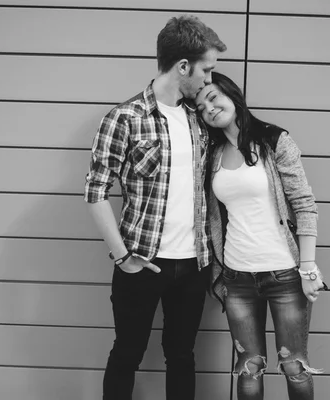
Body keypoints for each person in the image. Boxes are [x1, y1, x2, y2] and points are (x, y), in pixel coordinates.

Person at [84, 15, 227, 400]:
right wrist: (122, 256)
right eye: (207, 70)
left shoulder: (198, 119)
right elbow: (95, 190)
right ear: (183, 66)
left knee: (181, 356)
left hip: (193, 265)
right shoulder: (124, 118)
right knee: (127, 353)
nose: (209, 80)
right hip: (142, 263)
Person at [195, 72, 327, 400]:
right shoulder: (212, 155)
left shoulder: (274, 141)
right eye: (200, 107)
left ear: (232, 96)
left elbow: (304, 204)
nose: (208, 108)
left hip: (284, 275)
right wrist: (218, 275)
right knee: (249, 367)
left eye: (213, 98)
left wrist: (308, 267)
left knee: (294, 365)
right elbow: (211, 218)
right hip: (237, 277)